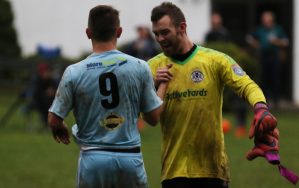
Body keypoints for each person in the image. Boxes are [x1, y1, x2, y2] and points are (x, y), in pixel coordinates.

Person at [148, 2, 279, 188]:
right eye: (156, 34)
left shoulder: (215, 60)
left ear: (182, 27)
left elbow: (247, 85)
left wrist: (260, 108)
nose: (160, 39)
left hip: (213, 169)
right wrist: (152, 85)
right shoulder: (152, 67)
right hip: (174, 170)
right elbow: (143, 113)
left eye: (165, 32)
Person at [48, 5, 169, 188]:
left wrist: (60, 127)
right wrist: (164, 85)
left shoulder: (74, 72)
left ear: (88, 33)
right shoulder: (139, 67)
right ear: (119, 32)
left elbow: (53, 120)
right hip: (130, 158)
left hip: (93, 159)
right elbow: (153, 118)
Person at [204, 12, 248, 138]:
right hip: (212, 70)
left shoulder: (225, 35)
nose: (215, 23)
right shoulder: (209, 35)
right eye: (213, 21)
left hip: (227, 69)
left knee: (238, 95)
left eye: (216, 21)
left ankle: (241, 125)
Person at [246, 11, 289, 108]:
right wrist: (255, 44)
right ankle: (264, 101)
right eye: (264, 18)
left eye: (267, 18)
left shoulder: (278, 29)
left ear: (271, 19)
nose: (265, 21)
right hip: (263, 57)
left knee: (275, 79)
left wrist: (276, 41)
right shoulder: (260, 29)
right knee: (264, 79)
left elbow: (286, 42)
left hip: (274, 57)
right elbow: (249, 38)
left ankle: (276, 102)